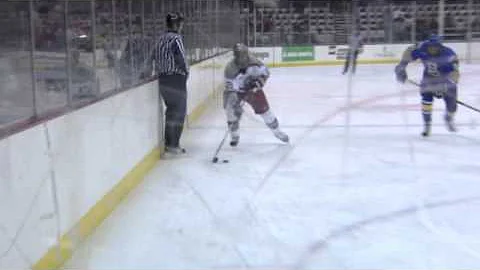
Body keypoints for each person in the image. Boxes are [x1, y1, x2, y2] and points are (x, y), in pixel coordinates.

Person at [223, 43, 289, 147]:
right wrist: (236, 105)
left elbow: (266, 73)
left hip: (253, 90)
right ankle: (234, 135)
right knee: (230, 112)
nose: (243, 58)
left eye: (244, 55)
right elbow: (230, 90)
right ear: (235, 56)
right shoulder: (230, 69)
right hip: (236, 92)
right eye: (240, 56)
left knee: (266, 111)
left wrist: (260, 82)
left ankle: (277, 131)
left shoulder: (255, 62)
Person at [395, 35, 460, 137]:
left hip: (446, 81)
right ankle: (427, 124)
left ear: (440, 46)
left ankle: (449, 116)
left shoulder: (449, 54)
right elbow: (409, 51)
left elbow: (455, 74)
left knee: (452, 105)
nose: (432, 49)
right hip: (428, 80)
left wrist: (449, 84)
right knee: (426, 101)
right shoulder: (422, 48)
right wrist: (401, 66)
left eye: (435, 47)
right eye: (430, 46)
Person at [145, 12, 189, 154]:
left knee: (171, 112)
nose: (181, 26)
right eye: (180, 23)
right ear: (177, 24)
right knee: (179, 113)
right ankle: (173, 145)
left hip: (163, 80)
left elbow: (151, 57)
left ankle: (169, 144)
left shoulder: (160, 39)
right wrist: (186, 73)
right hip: (176, 79)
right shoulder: (176, 39)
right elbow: (181, 58)